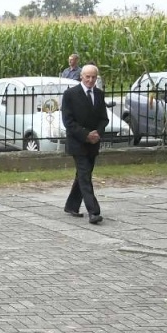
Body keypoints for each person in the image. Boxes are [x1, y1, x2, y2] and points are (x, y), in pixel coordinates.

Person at [62, 64, 108, 224]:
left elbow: (104, 118)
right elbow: (68, 121)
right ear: (81, 76)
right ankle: (94, 212)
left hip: (93, 143)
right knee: (85, 176)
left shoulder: (99, 94)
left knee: (82, 176)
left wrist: (97, 133)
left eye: (93, 77)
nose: (90, 80)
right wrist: (85, 135)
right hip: (78, 142)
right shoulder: (70, 94)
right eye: (87, 76)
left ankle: (71, 205)